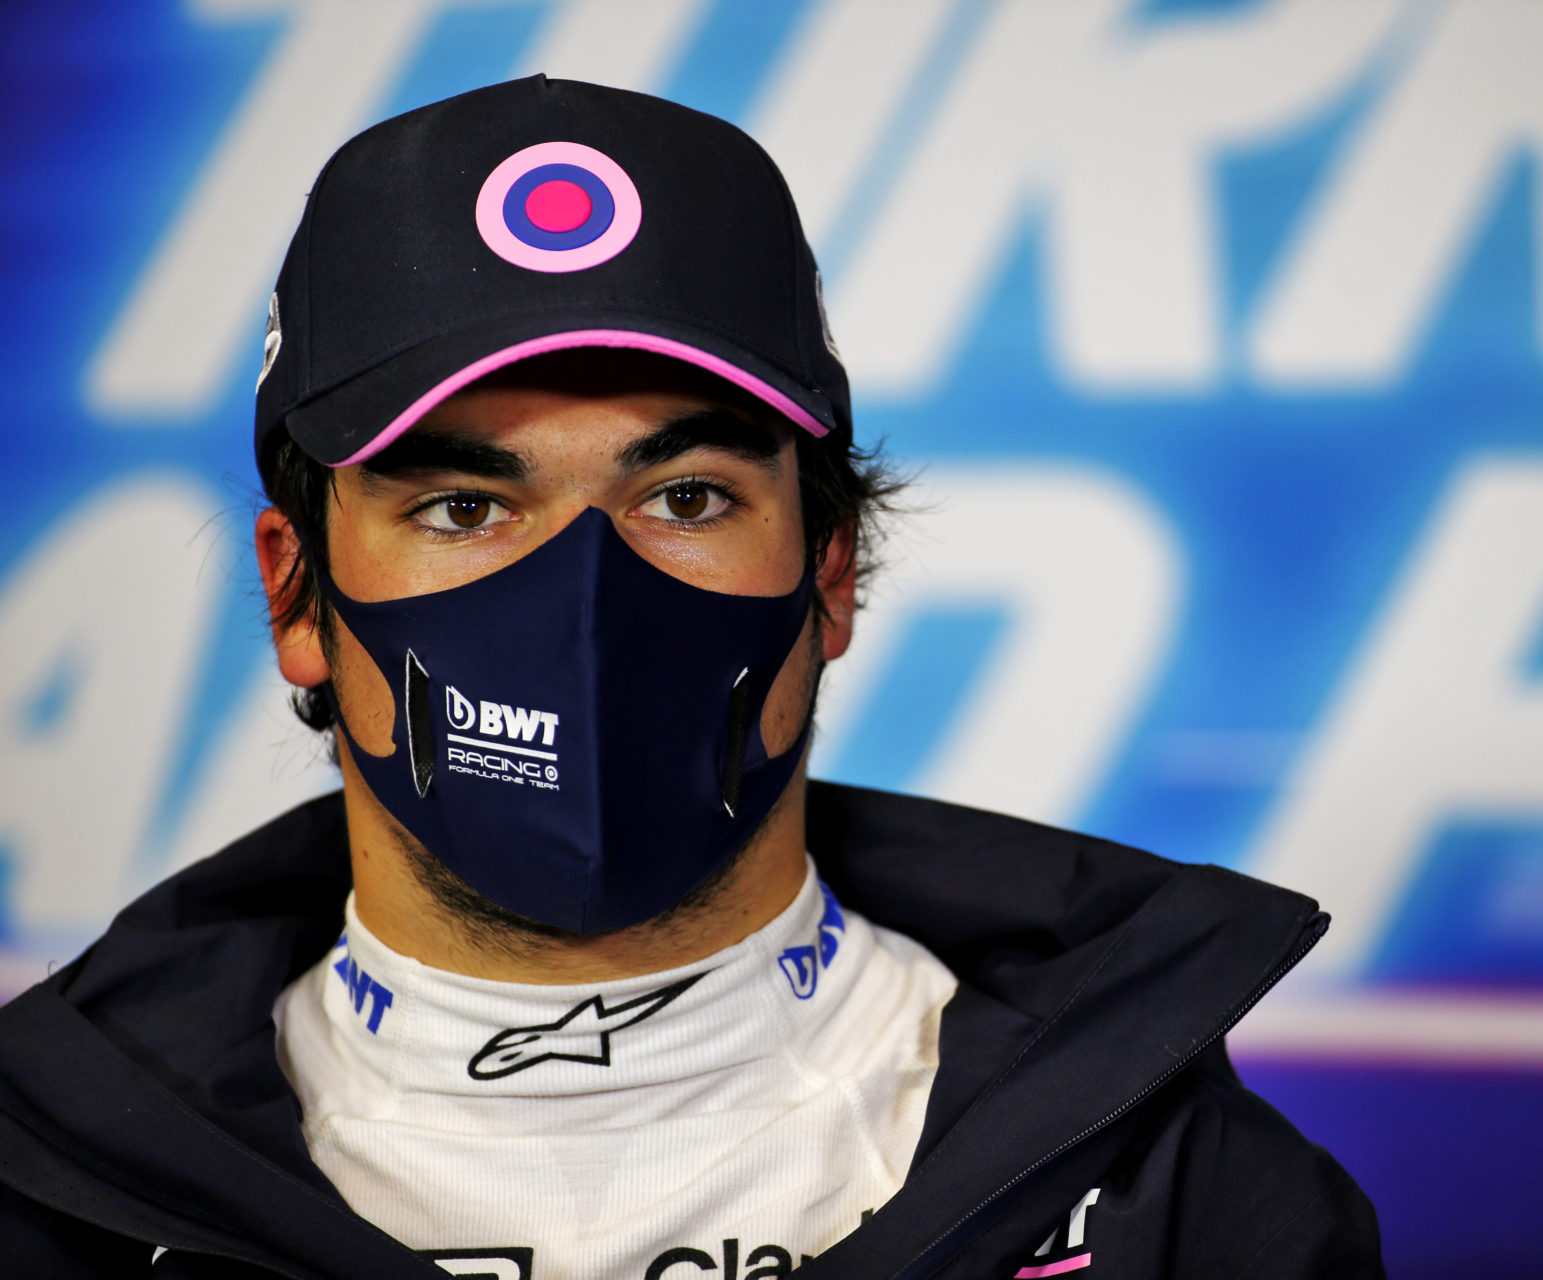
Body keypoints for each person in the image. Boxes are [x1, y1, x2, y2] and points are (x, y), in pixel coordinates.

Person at [0, 77, 1380, 1279]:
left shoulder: (1189, 1203)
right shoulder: (45, 1208)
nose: (585, 597)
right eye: (465, 509)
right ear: (298, 591)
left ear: (831, 571)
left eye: (691, 496)